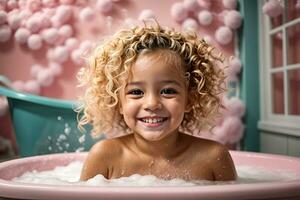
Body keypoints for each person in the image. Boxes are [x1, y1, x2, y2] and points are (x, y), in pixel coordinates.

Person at [77, 22, 237, 182]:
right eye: (136, 92)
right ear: (118, 103)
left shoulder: (213, 158)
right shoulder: (104, 156)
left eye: (168, 91)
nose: (152, 104)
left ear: (190, 100)